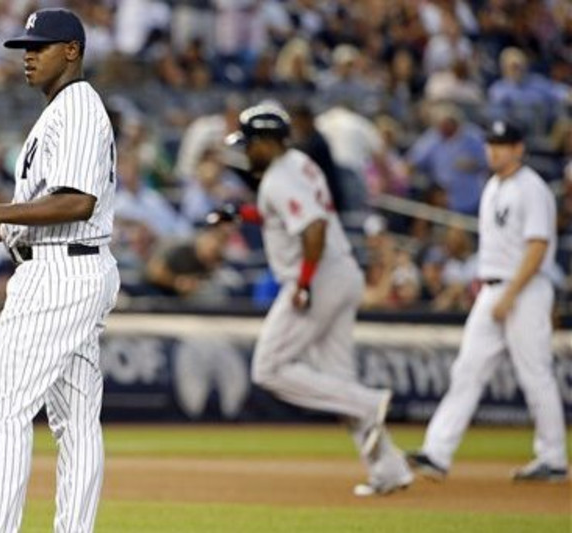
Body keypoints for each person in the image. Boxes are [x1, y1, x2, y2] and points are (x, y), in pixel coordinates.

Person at [0, 9, 120, 532]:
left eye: (41, 47)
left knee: (6, 412)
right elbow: (59, 205)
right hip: (73, 268)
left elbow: (76, 203)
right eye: (25, 47)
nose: (28, 56)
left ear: (72, 50)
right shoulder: (65, 110)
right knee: (75, 423)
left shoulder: (74, 108)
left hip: (58, 278)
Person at [209, 104, 413, 496]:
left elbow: (313, 227)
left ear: (268, 142)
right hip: (341, 272)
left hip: (317, 278)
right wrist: (244, 214)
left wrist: (303, 283)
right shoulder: (299, 163)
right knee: (337, 380)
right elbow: (287, 215)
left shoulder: (280, 178)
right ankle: (389, 470)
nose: (247, 150)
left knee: (267, 368)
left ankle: (368, 402)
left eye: (251, 142)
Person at [407, 120, 568, 483]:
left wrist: (510, 294)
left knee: (535, 373)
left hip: (523, 289)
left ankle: (554, 458)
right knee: (467, 369)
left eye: (503, 144)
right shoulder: (493, 185)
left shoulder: (531, 188)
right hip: (493, 288)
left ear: (519, 148)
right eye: (491, 144)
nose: (494, 150)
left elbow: (538, 246)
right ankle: (437, 452)